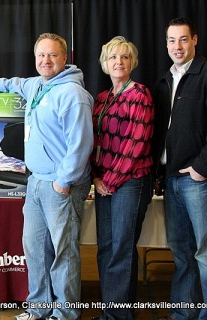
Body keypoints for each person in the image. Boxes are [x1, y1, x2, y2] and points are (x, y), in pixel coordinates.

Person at [0, 32, 94, 320]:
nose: (46, 60)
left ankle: (65, 313)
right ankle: (39, 308)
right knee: (34, 248)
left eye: (52, 55)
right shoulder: (37, 85)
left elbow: (81, 144)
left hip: (61, 186)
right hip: (35, 182)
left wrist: (63, 181)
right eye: (41, 55)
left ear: (65, 58)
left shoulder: (73, 94)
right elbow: (14, 83)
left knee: (63, 253)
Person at [152, 17, 207, 319]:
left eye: (183, 39)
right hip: (171, 180)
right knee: (182, 254)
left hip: (199, 180)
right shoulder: (164, 80)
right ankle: (184, 314)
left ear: (195, 40)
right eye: (172, 40)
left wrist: (201, 169)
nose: (177, 46)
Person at [90, 36, 154, 320]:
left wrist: (110, 180)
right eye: (114, 57)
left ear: (132, 63)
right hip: (104, 182)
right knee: (106, 249)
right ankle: (113, 312)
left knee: (121, 249)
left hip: (130, 181)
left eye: (125, 57)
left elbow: (136, 143)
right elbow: (92, 141)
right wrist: (95, 177)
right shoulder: (103, 99)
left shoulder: (139, 94)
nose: (119, 62)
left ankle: (117, 317)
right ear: (105, 62)